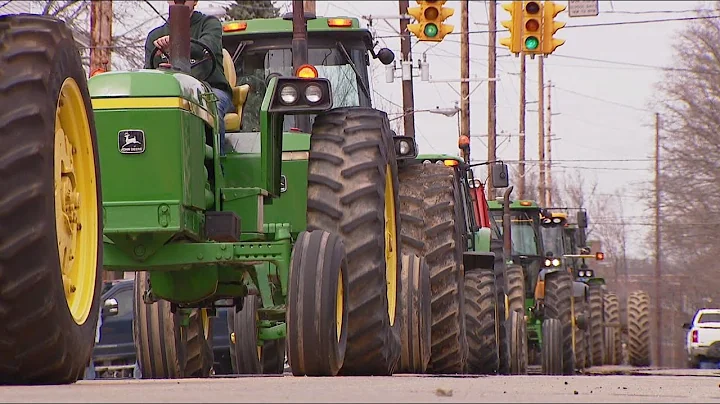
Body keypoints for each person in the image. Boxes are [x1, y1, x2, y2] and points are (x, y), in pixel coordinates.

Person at [144, 0, 234, 154]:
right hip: (170, 94)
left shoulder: (209, 24)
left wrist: (175, 44)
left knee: (212, 108)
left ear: (195, 1)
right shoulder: (155, 36)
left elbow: (209, 46)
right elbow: (149, 74)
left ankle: (217, 169)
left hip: (210, 89)